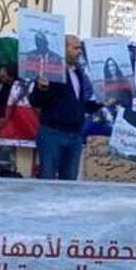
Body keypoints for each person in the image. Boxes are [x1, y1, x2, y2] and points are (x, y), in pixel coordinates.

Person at [28, 35, 95, 182]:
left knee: (69, 182)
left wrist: (103, 102)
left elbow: (80, 104)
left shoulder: (79, 74)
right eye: (75, 48)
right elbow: (35, 101)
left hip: (75, 136)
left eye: (80, 48)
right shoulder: (49, 71)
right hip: (53, 134)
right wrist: (41, 89)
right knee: (48, 179)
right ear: (63, 49)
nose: (79, 52)